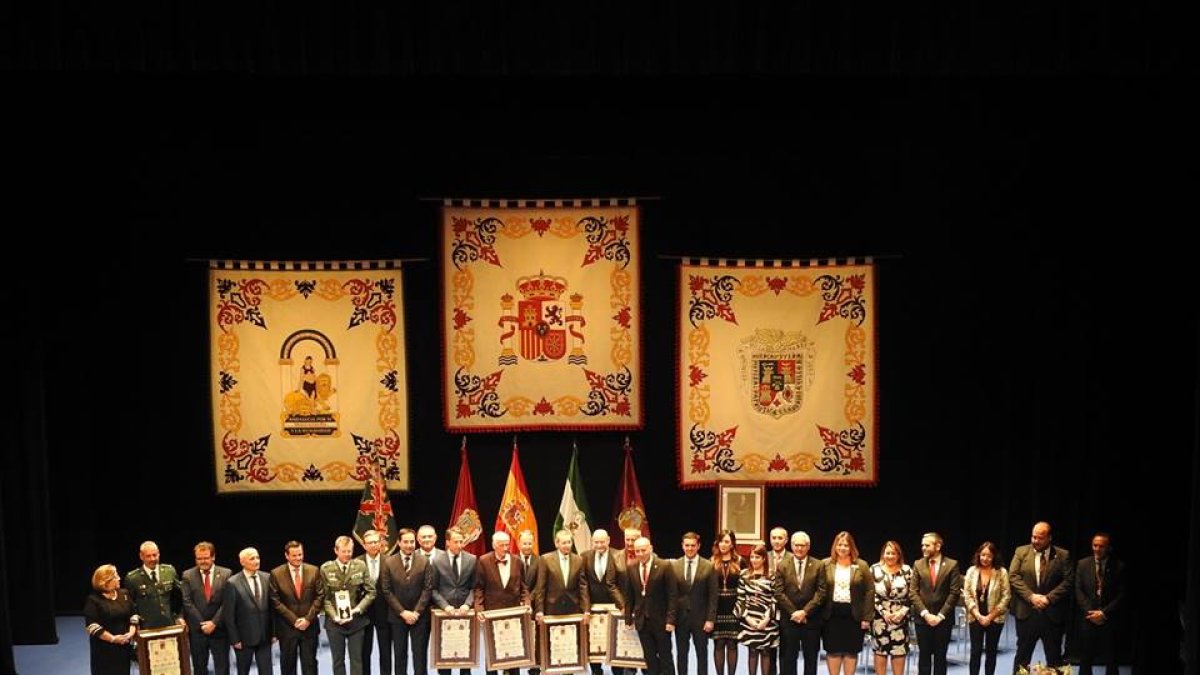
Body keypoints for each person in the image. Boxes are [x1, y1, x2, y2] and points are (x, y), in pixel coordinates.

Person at [1009, 521, 1073, 672]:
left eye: (1040, 538)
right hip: (1027, 613)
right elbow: (1013, 576)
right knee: (1022, 657)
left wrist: (1048, 598)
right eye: (1033, 537)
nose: (1035, 541)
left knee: (1054, 658)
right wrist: (1031, 597)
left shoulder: (1063, 555)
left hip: (1052, 615)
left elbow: (1069, 580)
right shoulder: (1021, 552)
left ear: (1049, 538)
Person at [474, 531, 530, 675]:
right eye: (501, 545)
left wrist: (527, 602)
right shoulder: (483, 561)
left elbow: (524, 586)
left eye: (507, 544)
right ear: (494, 545)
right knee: (492, 652)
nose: (505, 548)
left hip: (513, 613)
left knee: (513, 651)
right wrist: (479, 608)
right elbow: (479, 588)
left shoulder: (517, 561)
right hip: (492, 613)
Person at [382, 528, 434, 675]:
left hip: (419, 617)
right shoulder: (389, 562)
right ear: (399, 542)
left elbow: (427, 588)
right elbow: (386, 590)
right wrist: (403, 612)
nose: (409, 545)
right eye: (406, 542)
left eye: (412, 541)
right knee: (400, 655)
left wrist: (416, 612)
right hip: (397, 617)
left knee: (420, 657)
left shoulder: (424, 561)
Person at [322, 535, 377, 675]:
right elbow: (324, 598)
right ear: (336, 550)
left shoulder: (360, 566)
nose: (347, 554)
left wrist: (358, 609)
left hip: (357, 622)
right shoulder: (326, 569)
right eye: (344, 551)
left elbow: (371, 592)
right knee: (338, 660)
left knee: (357, 660)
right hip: (335, 624)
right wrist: (334, 616)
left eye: (350, 551)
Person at [821, 531, 873, 675]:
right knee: (833, 651)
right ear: (835, 546)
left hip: (854, 615)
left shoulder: (861, 565)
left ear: (851, 547)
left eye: (846, 545)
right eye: (840, 544)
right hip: (831, 614)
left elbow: (869, 591)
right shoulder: (825, 564)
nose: (842, 547)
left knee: (851, 651)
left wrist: (867, 617)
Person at [624, 536, 678, 675]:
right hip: (642, 622)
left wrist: (671, 620)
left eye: (643, 550)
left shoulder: (664, 566)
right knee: (650, 659)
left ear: (651, 549)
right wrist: (628, 619)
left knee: (666, 657)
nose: (640, 554)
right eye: (637, 551)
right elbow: (629, 596)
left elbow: (672, 595)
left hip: (661, 621)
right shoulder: (631, 567)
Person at [774, 531, 826, 675]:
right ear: (791, 545)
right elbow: (778, 592)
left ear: (808, 546)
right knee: (787, 660)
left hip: (811, 620)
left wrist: (805, 612)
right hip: (789, 620)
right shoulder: (782, 565)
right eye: (796, 545)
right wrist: (794, 612)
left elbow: (821, 592)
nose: (799, 548)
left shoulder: (818, 565)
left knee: (810, 660)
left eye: (802, 545)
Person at [910, 533, 962, 675]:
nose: (923, 548)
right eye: (922, 545)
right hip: (922, 620)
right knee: (924, 657)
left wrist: (940, 616)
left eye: (927, 545)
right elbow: (913, 592)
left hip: (943, 620)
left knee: (940, 658)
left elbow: (954, 593)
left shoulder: (952, 565)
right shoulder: (918, 564)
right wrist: (925, 614)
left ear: (938, 546)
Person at [269, 540, 324, 675]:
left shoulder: (313, 570)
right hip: (288, 628)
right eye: (294, 555)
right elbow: (275, 601)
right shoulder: (276, 574)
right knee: (288, 665)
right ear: (287, 556)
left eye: (300, 554)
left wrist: (307, 619)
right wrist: (294, 620)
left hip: (309, 627)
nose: (298, 558)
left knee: (310, 664)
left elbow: (320, 596)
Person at [1074, 532, 1125, 675]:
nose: (1097, 549)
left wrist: (1103, 613)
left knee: (1111, 659)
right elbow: (1078, 590)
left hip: (1109, 619)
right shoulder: (1082, 564)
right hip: (1088, 618)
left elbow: (1122, 595)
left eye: (1101, 546)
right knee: (1085, 659)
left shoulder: (1119, 567)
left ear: (1109, 548)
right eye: (1094, 545)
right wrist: (1091, 613)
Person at [181, 541, 233, 675]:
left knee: (222, 668)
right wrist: (203, 624)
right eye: (199, 558)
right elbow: (187, 602)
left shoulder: (227, 573)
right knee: (199, 668)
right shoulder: (187, 575)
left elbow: (228, 602)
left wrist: (214, 623)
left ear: (213, 557)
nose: (202, 561)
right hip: (198, 631)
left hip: (219, 630)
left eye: (205, 558)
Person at [432, 527, 478, 675]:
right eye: (456, 542)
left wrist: (467, 604)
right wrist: (445, 606)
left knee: (466, 657)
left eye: (461, 541)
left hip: (465, 613)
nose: (460, 545)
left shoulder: (472, 559)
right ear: (447, 542)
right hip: (444, 614)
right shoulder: (437, 561)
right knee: (445, 658)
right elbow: (432, 589)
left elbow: (475, 587)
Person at [581, 529, 625, 675]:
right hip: (593, 607)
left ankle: (617, 670)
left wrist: (622, 604)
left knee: (615, 641)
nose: (599, 545)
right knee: (594, 642)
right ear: (592, 542)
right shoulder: (584, 557)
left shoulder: (618, 555)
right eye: (596, 542)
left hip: (614, 607)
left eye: (602, 541)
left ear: (608, 540)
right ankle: (596, 670)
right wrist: (586, 608)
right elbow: (583, 584)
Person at [962, 541, 1010, 675]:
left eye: (989, 556)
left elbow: (1006, 597)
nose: (985, 558)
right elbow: (967, 595)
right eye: (983, 555)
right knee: (975, 651)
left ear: (994, 556)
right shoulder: (971, 571)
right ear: (978, 555)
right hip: (975, 617)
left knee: (991, 651)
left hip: (994, 619)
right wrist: (978, 615)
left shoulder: (1001, 572)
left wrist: (990, 617)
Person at [673, 531, 717, 675]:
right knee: (681, 655)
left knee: (702, 655)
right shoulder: (675, 565)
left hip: (701, 620)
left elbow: (713, 596)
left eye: (693, 545)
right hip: (681, 619)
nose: (690, 548)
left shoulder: (708, 566)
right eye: (687, 545)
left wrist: (710, 619)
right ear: (682, 546)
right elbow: (671, 595)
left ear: (698, 546)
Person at [225, 547, 273, 675]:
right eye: (252, 558)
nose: (256, 561)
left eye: (257, 557)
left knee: (267, 671)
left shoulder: (267, 577)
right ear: (242, 562)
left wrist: (274, 632)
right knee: (243, 671)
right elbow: (229, 615)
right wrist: (235, 639)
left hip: (265, 636)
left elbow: (272, 609)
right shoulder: (233, 583)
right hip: (244, 639)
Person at [84, 563, 138, 675]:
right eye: (115, 576)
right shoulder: (93, 600)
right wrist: (113, 639)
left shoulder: (124, 594)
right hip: (104, 649)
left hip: (124, 646)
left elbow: (133, 615)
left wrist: (131, 633)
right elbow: (92, 626)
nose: (119, 578)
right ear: (106, 581)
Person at [870, 541, 913, 675]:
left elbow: (913, 593)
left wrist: (903, 611)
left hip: (901, 618)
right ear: (883, 554)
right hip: (880, 619)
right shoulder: (874, 569)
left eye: (893, 553)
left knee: (899, 651)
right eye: (887, 553)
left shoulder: (907, 570)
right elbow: (870, 593)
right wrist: (883, 612)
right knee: (880, 651)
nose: (890, 556)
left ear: (898, 555)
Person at [735, 545, 779, 675]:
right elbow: (740, 599)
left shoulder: (772, 575)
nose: (754, 560)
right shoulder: (744, 575)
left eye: (757, 557)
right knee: (752, 651)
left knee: (766, 652)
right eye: (752, 557)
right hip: (749, 620)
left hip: (767, 621)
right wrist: (749, 619)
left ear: (764, 558)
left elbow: (775, 598)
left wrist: (766, 619)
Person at [124, 540, 182, 629]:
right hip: (146, 627)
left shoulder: (169, 571)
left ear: (159, 554)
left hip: (170, 623)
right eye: (148, 556)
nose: (152, 559)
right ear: (141, 556)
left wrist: (179, 616)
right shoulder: (132, 578)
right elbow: (130, 605)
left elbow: (179, 596)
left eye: (155, 555)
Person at [358, 530, 393, 675]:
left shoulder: (390, 561)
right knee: (364, 652)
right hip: (364, 614)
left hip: (384, 613)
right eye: (370, 542)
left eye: (375, 542)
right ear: (364, 545)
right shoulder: (357, 562)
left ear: (380, 543)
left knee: (385, 652)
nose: (373, 545)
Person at [711, 529, 744, 675]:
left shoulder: (740, 561)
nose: (723, 545)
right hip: (717, 607)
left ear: (732, 544)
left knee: (732, 644)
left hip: (733, 606)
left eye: (727, 542)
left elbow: (744, 586)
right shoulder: (711, 561)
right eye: (721, 541)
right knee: (718, 644)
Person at [517, 529, 546, 675]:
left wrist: (528, 601)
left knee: (535, 639)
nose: (527, 546)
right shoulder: (512, 559)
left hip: (535, 605)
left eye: (530, 543)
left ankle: (534, 667)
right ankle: (510, 667)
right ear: (518, 543)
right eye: (524, 543)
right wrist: (520, 602)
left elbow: (540, 585)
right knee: (516, 637)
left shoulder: (540, 560)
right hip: (516, 606)